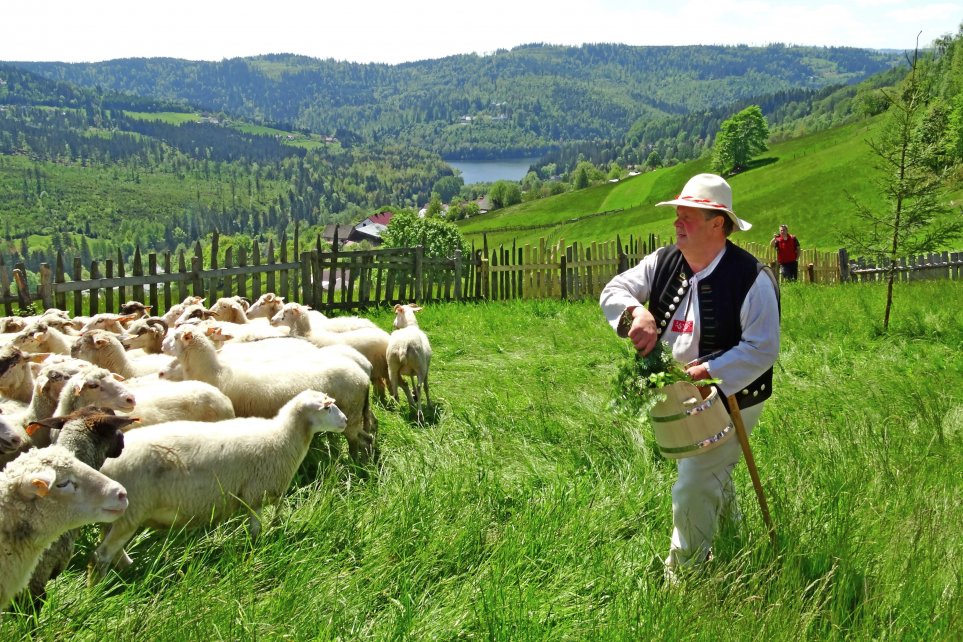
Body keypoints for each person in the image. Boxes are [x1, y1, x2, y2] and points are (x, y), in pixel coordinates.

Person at [599, 173, 780, 581]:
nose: (677, 223)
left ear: (718, 223)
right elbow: (614, 289)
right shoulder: (663, 261)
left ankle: (684, 579)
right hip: (681, 394)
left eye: (688, 216)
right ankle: (733, 535)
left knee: (694, 480)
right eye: (677, 215)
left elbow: (763, 347)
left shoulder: (752, 278)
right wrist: (635, 313)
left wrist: (709, 372)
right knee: (713, 470)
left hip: (737, 394)